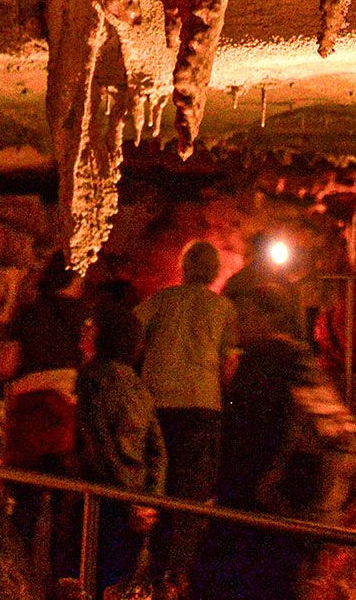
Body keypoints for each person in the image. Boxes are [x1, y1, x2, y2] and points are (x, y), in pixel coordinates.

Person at [206, 286, 356, 600]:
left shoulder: (268, 357)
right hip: (289, 509)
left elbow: (250, 433)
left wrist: (242, 489)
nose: (237, 324)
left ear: (269, 315)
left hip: (260, 509)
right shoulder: (296, 360)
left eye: (245, 313)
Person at [138, 240, 240, 579]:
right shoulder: (223, 309)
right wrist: (230, 406)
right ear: (214, 271)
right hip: (201, 405)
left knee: (155, 484)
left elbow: (131, 335)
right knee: (189, 492)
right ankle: (177, 571)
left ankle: (149, 563)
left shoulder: (159, 301)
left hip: (157, 404)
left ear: (183, 267)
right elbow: (228, 365)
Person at [77, 290, 166, 593]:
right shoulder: (138, 386)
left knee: (87, 578)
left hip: (104, 497)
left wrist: (126, 498)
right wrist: (149, 501)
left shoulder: (93, 377)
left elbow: (98, 441)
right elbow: (157, 450)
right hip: (137, 500)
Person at [0, 258, 91, 475]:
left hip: (24, 405)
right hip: (64, 405)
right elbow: (88, 362)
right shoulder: (86, 317)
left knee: (21, 482)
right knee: (58, 481)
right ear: (76, 279)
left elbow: (6, 365)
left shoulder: (28, 311)